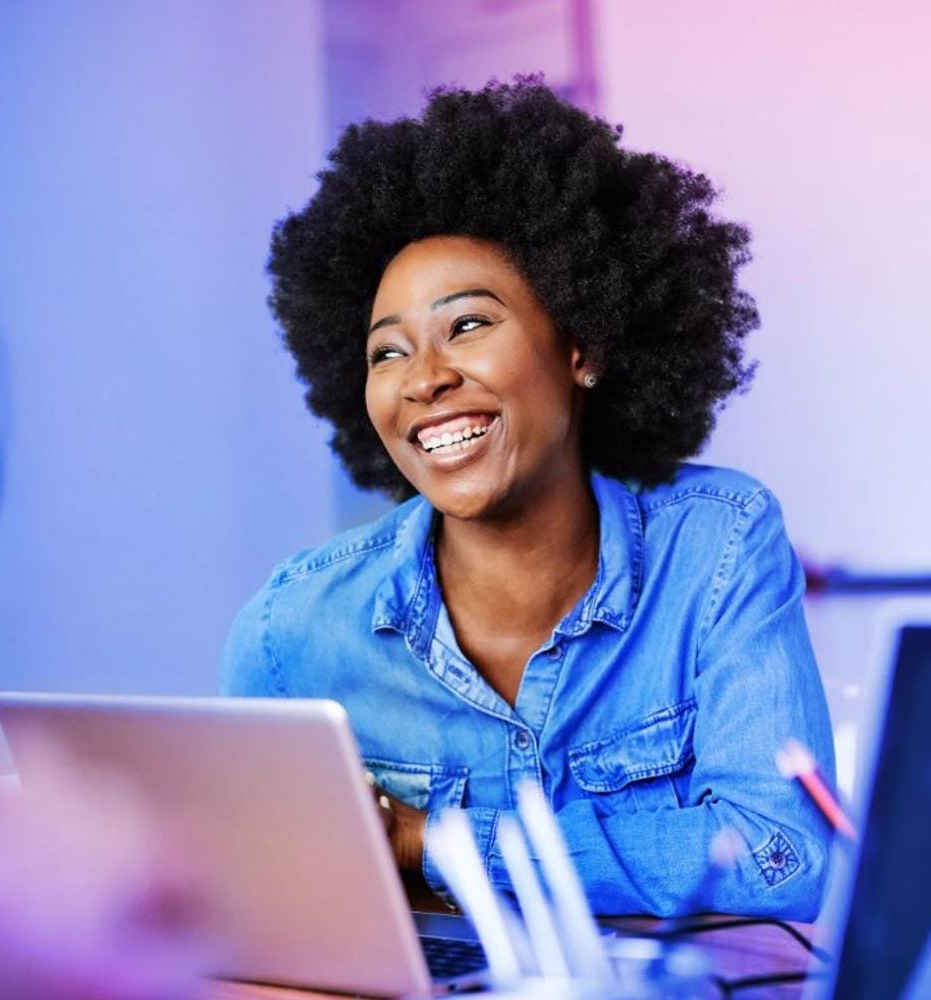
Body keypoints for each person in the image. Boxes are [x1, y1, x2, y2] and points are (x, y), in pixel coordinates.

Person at [221, 78, 835, 920]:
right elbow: (258, 907)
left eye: (467, 325)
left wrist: (430, 840)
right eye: (386, 353)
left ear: (582, 346)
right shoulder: (288, 632)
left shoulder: (718, 549)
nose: (425, 379)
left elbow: (782, 854)